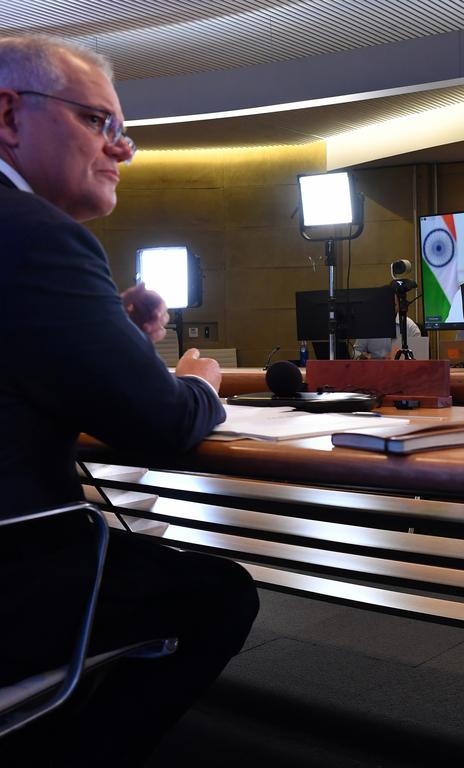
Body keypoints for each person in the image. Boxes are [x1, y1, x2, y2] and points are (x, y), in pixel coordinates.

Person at [0, 34, 258, 764]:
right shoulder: (34, 235)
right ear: (9, 116)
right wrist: (203, 381)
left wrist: (119, 334)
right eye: (99, 122)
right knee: (220, 595)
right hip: (16, 572)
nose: (125, 150)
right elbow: (161, 423)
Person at [353, 314, 422, 358]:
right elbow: (355, 352)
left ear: (398, 306)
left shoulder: (410, 326)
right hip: (375, 371)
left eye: (393, 304)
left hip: (403, 371)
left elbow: (420, 355)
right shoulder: (368, 325)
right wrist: (363, 357)